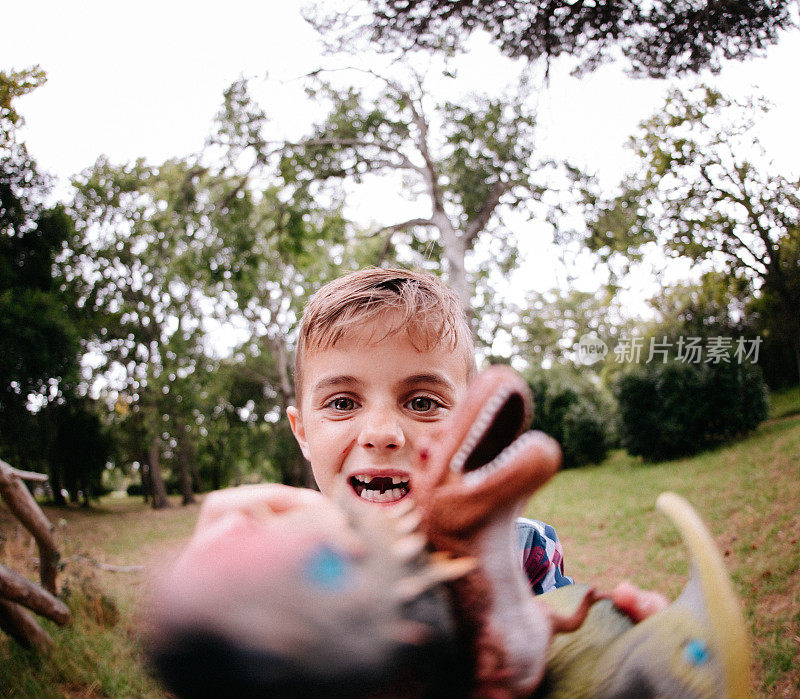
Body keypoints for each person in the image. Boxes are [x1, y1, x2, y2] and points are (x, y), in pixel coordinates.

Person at [192, 266, 666, 619]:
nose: (382, 434)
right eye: (341, 403)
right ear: (302, 433)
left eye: (422, 402)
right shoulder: (285, 566)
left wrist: (617, 654)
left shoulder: (521, 550)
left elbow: (562, 659)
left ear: (472, 426)